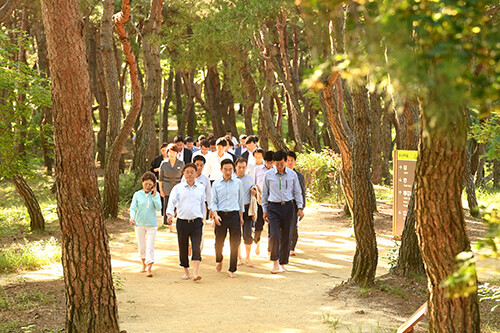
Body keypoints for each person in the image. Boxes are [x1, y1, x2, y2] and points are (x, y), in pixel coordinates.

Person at [262, 150, 304, 274]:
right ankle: (274, 262)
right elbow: (265, 194)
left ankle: (283, 263)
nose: (279, 167)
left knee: (287, 235)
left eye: (281, 164)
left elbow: (297, 192)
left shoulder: (292, 175)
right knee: (274, 234)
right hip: (273, 207)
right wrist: (265, 210)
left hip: (288, 207)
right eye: (277, 164)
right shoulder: (269, 175)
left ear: (285, 161)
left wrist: (300, 208)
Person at [166, 164, 205, 281]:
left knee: (196, 246)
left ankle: (195, 273)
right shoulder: (178, 188)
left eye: (192, 172)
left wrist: (203, 216)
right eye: (187, 172)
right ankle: (186, 272)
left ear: (196, 173)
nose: (190, 174)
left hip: (196, 222)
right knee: (183, 247)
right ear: (183, 173)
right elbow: (171, 202)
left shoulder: (201, 188)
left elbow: (203, 204)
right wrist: (169, 214)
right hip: (182, 222)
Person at [211, 159, 244, 278]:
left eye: (230, 169)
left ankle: (232, 268)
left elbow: (241, 201)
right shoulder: (216, 184)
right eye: (225, 169)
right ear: (221, 170)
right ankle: (219, 259)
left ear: (233, 170)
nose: (228, 172)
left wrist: (241, 216)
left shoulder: (238, 183)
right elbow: (213, 201)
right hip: (221, 216)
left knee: (235, 242)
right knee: (218, 243)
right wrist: (215, 215)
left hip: (234, 215)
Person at [129, 172, 162, 277]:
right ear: (142, 183)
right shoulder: (137, 194)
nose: (147, 186)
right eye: (146, 184)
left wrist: (154, 196)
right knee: (142, 246)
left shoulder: (155, 195)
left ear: (153, 185)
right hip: (139, 224)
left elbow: (158, 208)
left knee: (150, 246)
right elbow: (133, 208)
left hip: (151, 225)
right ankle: (143, 265)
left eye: (150, 184)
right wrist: (132, 218)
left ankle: (149, 268)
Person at [234, 157, 256, 267]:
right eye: (239, 167)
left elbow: (255, 189)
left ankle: (248, 257)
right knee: (237, 234)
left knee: (247, 233)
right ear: (235, 167)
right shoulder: (232, 178)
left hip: (247, 209)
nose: (241, 169)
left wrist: (254, 191)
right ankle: (239, 258)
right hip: (235, 210)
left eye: (243, 167)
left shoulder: (250, 178)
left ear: (246, 167)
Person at [252, 150, 274, 255]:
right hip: (260, 200)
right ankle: (257, 241)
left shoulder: (276, 171)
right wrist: (255, 193)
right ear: (264, 161)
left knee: (272, 224)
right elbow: (253, 183)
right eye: (267, 162)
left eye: (271, 162)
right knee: (259, 223)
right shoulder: (257, 169)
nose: (269, 165)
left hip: (273, 201)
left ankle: (270, 249)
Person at [159, 143, 184, 232]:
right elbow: (160, 179)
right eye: (170, 152)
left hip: (178, 186)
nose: (172, 154)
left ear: (177, 153)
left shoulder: (181, 163)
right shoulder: (164, 164)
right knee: (168, 206)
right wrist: (161, 190)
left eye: (174, 152)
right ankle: (169, 226)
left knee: (179, 207)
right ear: (167, 153)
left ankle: (179, 225)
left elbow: (183, 177)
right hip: (167, 187)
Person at [286, 151, 306, 256]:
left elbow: (302, 191)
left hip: (295, 204)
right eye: (288, 160)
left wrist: (301, 207)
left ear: (295, 161)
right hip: (283, 203)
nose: (289, 163)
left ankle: (292, 247)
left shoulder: (299, 176)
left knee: (293, 226)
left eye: (292, 160)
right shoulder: (280, 175)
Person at [150, 142, 169, 215]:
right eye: (163, 150)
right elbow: (152, 169)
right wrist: (158, 169)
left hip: (168, 181)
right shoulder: (157, 159)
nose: (164, 152)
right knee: (161, 197)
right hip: (159, 180)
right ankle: (162, 213)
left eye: (166, 150)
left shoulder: (171, 159)